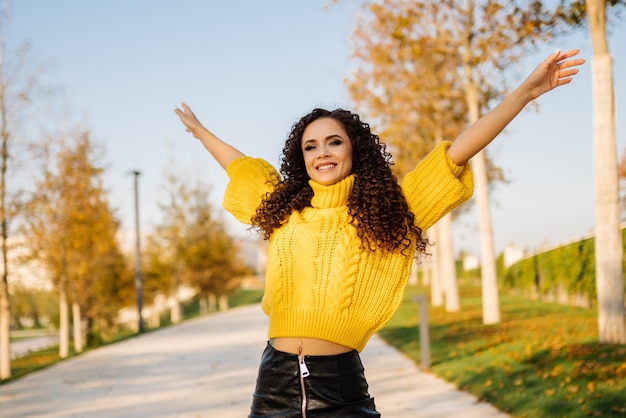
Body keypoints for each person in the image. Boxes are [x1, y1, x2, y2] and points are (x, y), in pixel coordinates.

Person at [175, 49, 585, 417]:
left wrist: (524, 93)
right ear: (302, 158)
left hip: (340, 385)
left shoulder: (390, 210)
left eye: (334, 142)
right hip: (274, 384)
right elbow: (241, 167)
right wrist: (199, 130)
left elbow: (458, 152)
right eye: (311, 146)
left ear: (354, 149)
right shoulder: (285, 207)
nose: (323, 153)